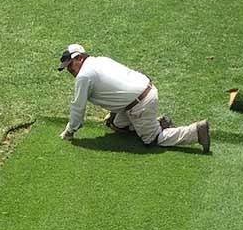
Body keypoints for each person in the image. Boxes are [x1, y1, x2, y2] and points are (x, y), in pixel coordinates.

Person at [57, 44, 211, 153]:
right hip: (147, 91)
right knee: (115, 124)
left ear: (80, 58)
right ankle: (157, 122)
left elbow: (78, 108)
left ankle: (196, 132)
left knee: (153, 139)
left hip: (139, 105)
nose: (70, 70)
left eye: (70, 65)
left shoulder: (84, 76)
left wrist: (70, 131)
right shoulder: (100, 60)